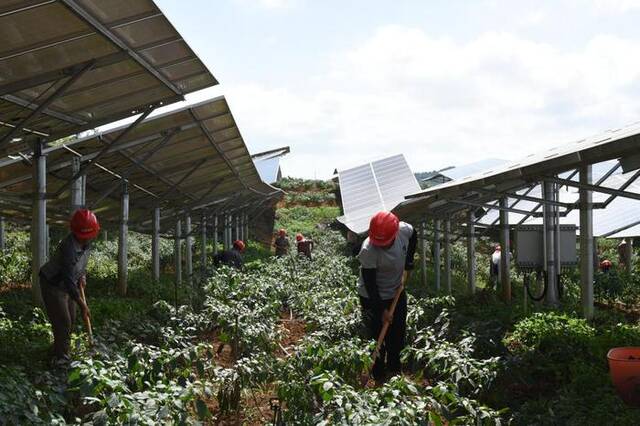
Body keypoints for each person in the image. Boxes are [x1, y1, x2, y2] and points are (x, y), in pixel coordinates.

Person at [357, 211, 417, 384]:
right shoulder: (368, 249)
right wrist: (381, 310)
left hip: (396, 290)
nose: (381, 246)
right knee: (376, 337)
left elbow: (414, 235)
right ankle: (378, 375)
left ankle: (394, 370)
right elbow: (370, 284)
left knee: (397, 333)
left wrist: (409, 262)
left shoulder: (404, 230)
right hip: (371, 296)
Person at [39, 209, 99, 362]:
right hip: (53, 284)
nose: (87, 239)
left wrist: (82, 275)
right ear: (76, 233)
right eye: (84, 236)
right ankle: (60, 359)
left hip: (68, 284)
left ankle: (59, 349)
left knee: (71, 319)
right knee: (63, 321)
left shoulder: (87, 243)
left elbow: (79, 264)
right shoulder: (68, 247)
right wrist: (82, 304)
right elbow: (67, 278)